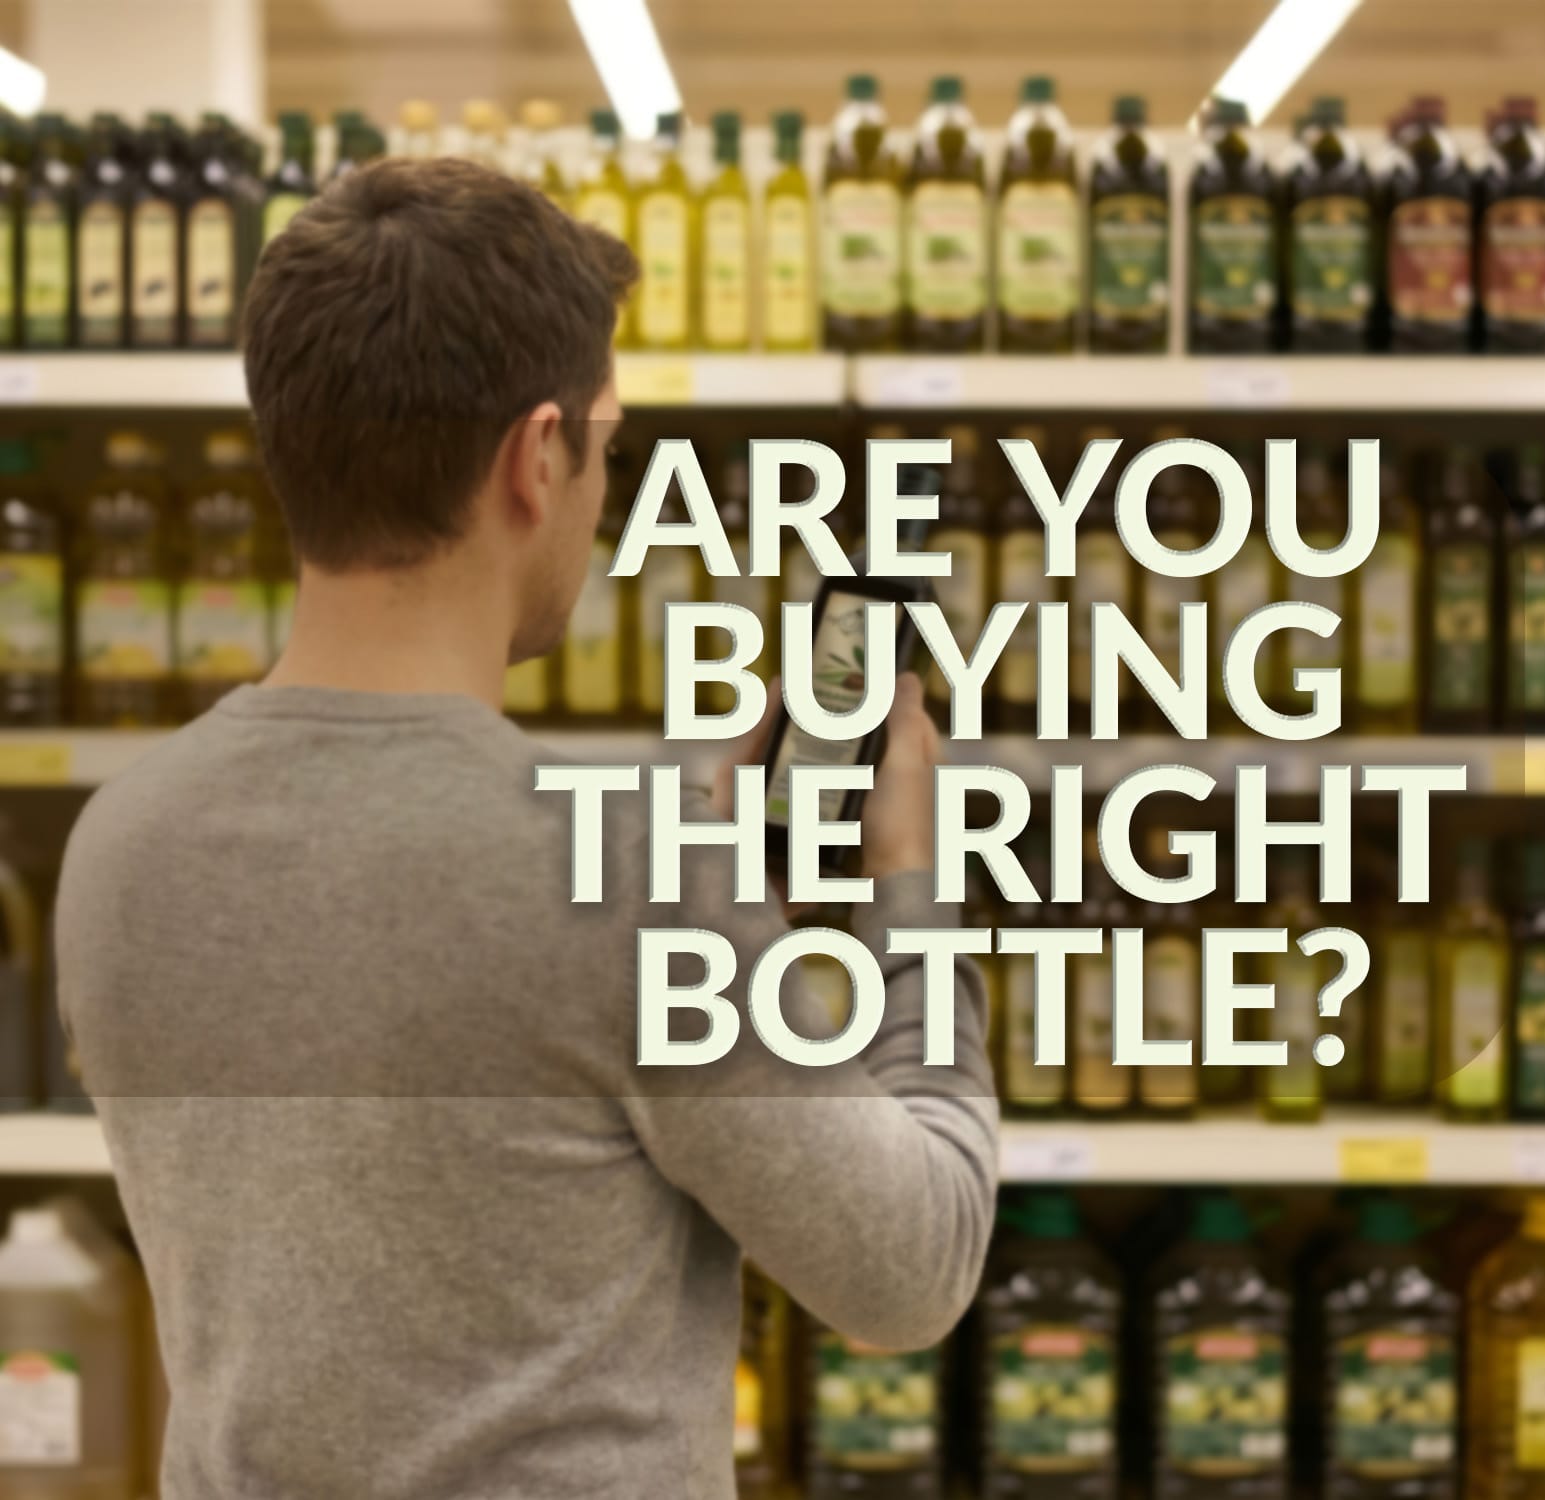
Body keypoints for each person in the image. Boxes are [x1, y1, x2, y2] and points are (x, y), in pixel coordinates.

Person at [54, 157, 996, 1497]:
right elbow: (912, 1269)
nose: (603, 495)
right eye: (606, 446)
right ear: (533, 456)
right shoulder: (619, 868)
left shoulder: (119, 843)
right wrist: (912, 886)